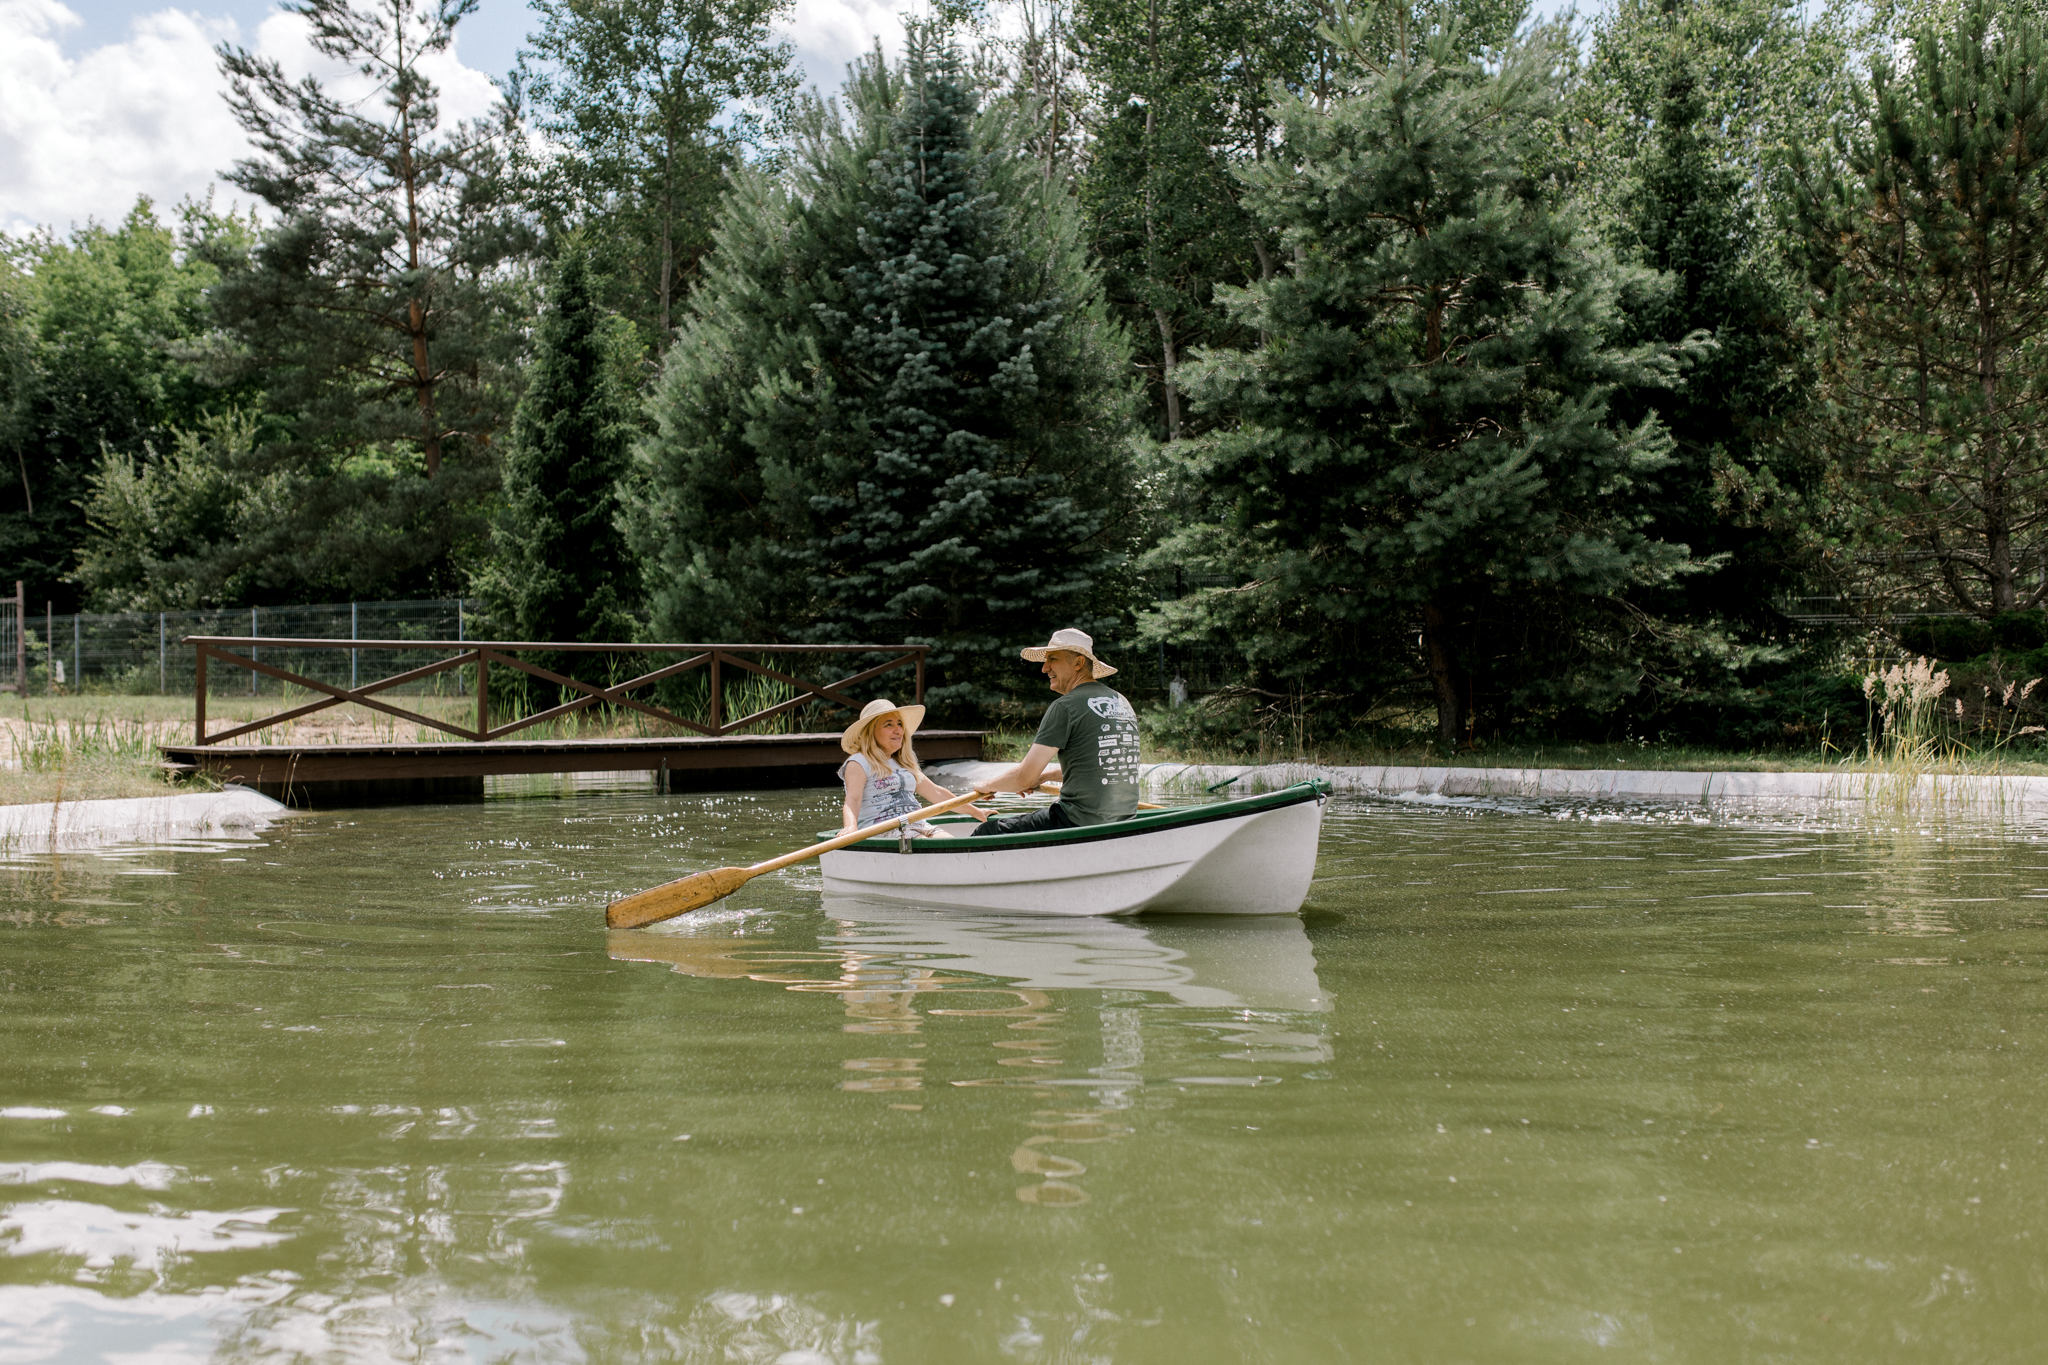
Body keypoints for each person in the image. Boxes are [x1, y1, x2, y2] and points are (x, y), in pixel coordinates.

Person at [972, 628, 1140, 836]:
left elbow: (1023, 778)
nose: (1044, 668)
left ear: (1078, 663)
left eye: (1052, 659)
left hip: (1078, 821)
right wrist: (1043, 777)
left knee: (987, 831)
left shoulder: (1066, 706)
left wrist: (986, 785)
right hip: (1123, 819)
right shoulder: (1121, 702)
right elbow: (1097, 766)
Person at [839, 698, 989, 837]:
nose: (898, 730)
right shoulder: (858, 762)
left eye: (899, 724)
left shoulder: (903, 763)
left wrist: (976, 811)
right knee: (943, 849)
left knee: (952, 844)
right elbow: (853, 799)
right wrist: (850, 827)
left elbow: (937, 793)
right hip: (882, 829)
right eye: (889, 724)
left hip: (918, 824)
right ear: (870, 732)